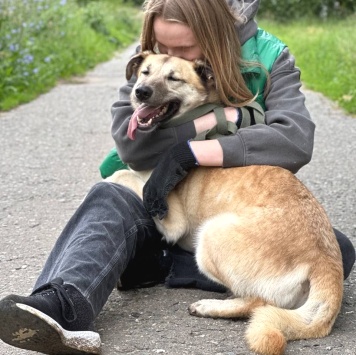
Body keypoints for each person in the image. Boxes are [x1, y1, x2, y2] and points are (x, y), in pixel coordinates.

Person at [0, 0, 354, 354]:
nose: (168, 56)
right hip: (167, 206)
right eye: (161, 46)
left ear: (214, 37)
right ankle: (64, 303)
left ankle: (154, 264)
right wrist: (203, 125)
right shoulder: (151, 65)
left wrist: (194, 151)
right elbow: (132, 147)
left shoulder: (269, 56)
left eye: (183, 49)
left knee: (334, 250)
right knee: (111, 193)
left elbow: (293, 140)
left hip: (219, 214)